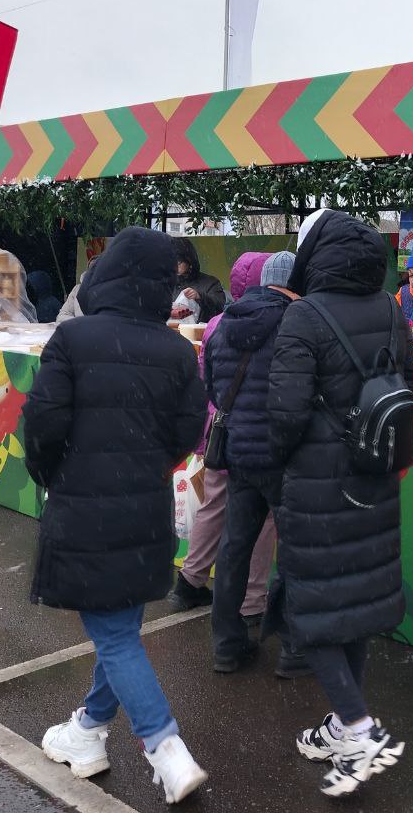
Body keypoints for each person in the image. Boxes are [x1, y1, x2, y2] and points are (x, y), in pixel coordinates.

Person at [25, 227, 210, 804]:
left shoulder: (73, 339)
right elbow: (191, 428)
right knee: (120, 628)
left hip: (84, 506)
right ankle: (88, 731)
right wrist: (153, 464)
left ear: (106, 275)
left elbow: (42, 424)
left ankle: (166, 749)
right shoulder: (179, 349)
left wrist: (53, 474)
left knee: (113, 633)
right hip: (147, 505)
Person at [270, 209, 413, 797]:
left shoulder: (302, 315)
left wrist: (277, 462)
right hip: (375, 473)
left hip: (318, 483)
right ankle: (339, 725)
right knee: (354, 602)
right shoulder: (390, 308)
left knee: (314, 607)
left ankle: (359, 728)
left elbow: (284, 412)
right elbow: (408, 381)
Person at [206, 250, 309, 679]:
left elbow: (212, 386)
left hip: (240, 453)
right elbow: (306, 391)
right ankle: (292, 649)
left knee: (234, 547)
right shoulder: (298, 323)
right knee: (296, 551)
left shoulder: (226, 322)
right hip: (286, 454)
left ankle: (227, 645)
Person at [170, 251, 277, 621]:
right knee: (262, 519)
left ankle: (190, 580)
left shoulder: (217, 323)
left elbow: (208, 382)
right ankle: (251, 600)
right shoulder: (280, 320)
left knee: (214, 506)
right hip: (258, 435)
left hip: (221, 429)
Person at [172, 237, 227, 322]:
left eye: (178, 263)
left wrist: (200, 297)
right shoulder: (165, 282)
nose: (174, 266)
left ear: (189, 260)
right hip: (170, 332)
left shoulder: (210, 283)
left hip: (201, 332)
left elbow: (220, 307)